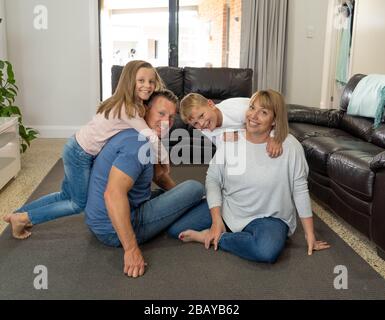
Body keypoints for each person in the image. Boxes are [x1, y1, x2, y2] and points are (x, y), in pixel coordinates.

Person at [3, 60, 169, 239]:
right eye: (141, 80)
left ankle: (16, 214)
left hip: (75, 146)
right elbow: (150, 137)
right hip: (80, 154)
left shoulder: (121, 102)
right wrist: (165, 161)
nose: (148, 85)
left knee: (65, 195)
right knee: (77, 203)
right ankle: (26, 217)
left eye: (151, 81)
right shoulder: (127, 110)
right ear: (129, 81)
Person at [170, 90, 330, 263]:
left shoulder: (290, 147)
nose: (253, 115)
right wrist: (216, 220)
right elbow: (213, 178)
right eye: (252, 108)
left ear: (274, 119)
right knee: (176, 229)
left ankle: (213, 237)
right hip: (231, 207)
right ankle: (225, 229)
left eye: (264, 112)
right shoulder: (228, 138)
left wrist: (309, 234)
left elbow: (300, 189)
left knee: (266, 251)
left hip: (269, 217)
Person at [85, 89, 208, 278]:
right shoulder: (138, 146)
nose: (166, 122)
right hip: (112, 229)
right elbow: (112, 195)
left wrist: (180, 198)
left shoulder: (133, 132)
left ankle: (190, 208)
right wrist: (131, 250)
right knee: (195, 187)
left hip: (101, 219)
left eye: (171, 117)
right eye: (161, 113)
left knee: (179, 193)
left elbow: (158, 176)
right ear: (144, 110)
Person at [179, 92, 283, 157]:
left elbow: (274, 115)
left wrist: (274, 137)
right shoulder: (204, 128)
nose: (201, 124)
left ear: (211, 105)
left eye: (201, 115)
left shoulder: (239, 110)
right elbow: (223, 145)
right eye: (195, 123)